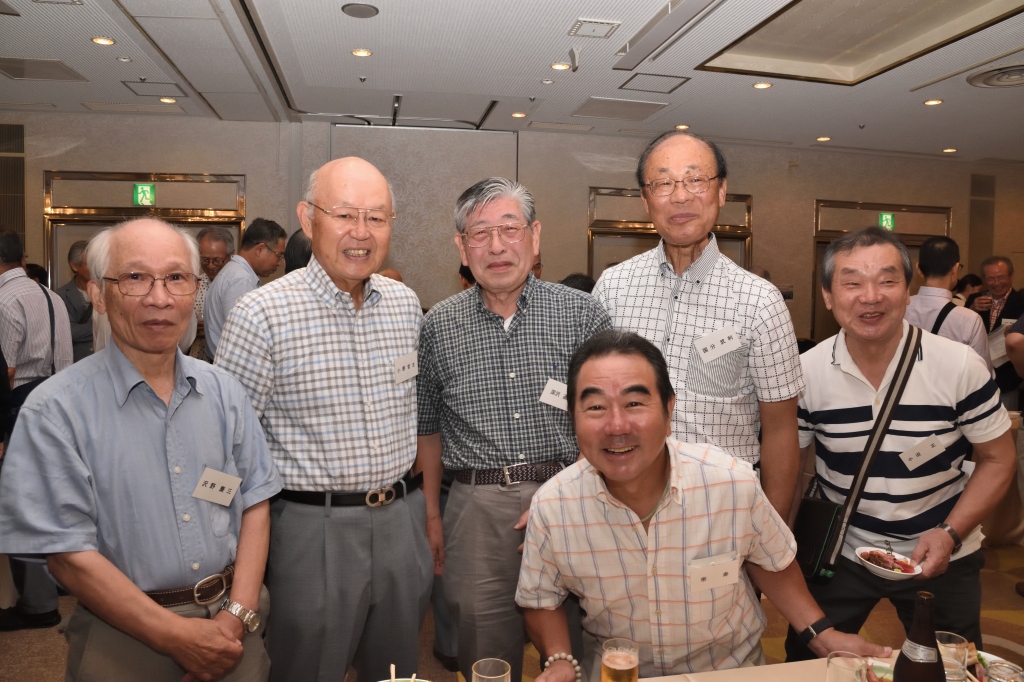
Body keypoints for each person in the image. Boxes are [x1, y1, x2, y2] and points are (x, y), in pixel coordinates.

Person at [517, 329, 889, 680]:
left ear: (669, 410)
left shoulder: (730, 483)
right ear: (573, 418)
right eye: (596, 407)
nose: (617, 426)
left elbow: (771, 561)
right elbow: (540, 599)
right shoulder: (554, 506)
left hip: (726, 671)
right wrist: (560, 659)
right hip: (621, 673)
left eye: (634, 403)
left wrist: (821, 633)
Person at [0, 219, 281, 680]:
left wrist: (234, 619)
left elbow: (254, 501)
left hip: (235, 628)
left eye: (176, 278)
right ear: (98, 294)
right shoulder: (54, 410)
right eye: (135, 278)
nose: (160, 298)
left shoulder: (226, 392)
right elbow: (67, 554)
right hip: (123, 640)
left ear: (195, 290)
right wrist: (178, 638)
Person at [216, 158, 432, 682]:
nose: (362, 232)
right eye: (345, 215)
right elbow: (225, 448)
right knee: (309, 668)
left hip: (401, 520)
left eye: (376, 218)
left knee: (397, 670)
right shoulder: (261, 314)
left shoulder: (405, 306)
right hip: (312, 530)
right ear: (308, 218)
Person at [786, 227, 1016, 660]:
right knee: (810, 664)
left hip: (944, 553)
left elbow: (999, 459)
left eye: (887, 280)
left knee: (951, 666)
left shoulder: (959, 365)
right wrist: (783, 558)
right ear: (828, 296)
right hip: (840, 553)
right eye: (852, 283)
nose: (871, 297)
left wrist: (950, 532)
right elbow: (790, 472)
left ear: (908, 291)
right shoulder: (804, 374)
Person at [417, 177, 612, 682]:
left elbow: (607, 418)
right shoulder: (438, 326)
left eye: (510, 229)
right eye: (480, 234)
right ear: (462, 247)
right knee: (485, 650)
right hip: (476, 511)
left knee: (578, 644)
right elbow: (428, 428)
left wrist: (571, 493)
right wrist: (433, 515)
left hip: (572, 498)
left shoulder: (582, 314)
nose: (497, 246)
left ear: (535, 236)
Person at [593, 130, 804, 518]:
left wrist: (770, 533)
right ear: (645, 200)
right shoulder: (613, 288)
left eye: (695, 179)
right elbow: (592, 405)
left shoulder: (760, 301)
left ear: (721, 192)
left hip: (722, 511)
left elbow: (780, 430)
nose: (680, 196)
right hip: (622, 508)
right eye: (663, 183)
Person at [0, 229, 73, 632]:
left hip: (19, 405)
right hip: (58, 401)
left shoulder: (4, 300)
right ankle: (61, 577)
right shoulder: (50, 295)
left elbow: (7, 370)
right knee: (54, 497)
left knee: (22, 502)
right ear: (22, 259)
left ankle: (37, 603)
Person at [904, 236, 992, 374]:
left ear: (918, 269)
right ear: (955, 269)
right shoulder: (970, 320)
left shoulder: (899, 309)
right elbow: (984, 374)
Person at [205, 218, 286, 359]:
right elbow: (243, 337)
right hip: (230, 366)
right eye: (278, 255)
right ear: (260, 249)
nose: (279, 263)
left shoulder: (234, 272)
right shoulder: (241, 279)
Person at [966, 256, 1024, 405]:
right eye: (991, 279)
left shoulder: (1021, 300)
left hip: (1008, 379)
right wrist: (971, 309)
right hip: (975, 377)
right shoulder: (974, 299)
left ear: (1011, 276)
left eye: (1001, 277)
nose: (997, 283)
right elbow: (960, 332)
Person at [189, 226, 236, 362]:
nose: (210, 266)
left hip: (225, 361)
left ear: (231, 255)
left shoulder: (238, 284)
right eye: (205, 260)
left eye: (217, 260)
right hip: (194, 360)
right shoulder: (192, 284)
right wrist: (191, 327)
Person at [55, 240, 94, 362]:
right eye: (90, 263)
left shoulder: (108, 292)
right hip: (76, 362)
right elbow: (69, 332)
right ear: (74, 266)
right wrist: (102, 328)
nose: (95, 268)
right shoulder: (61, 295)